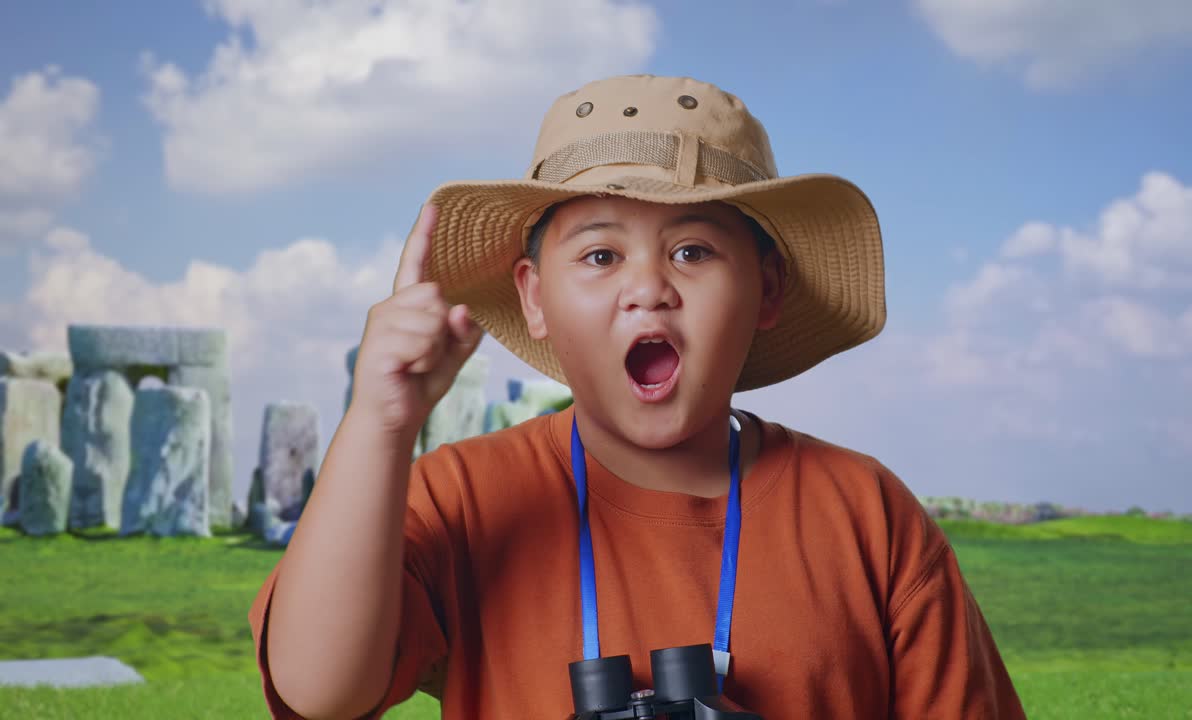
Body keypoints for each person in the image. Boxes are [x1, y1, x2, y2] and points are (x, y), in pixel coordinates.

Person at [248, 74, 1026, 719]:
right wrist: (381, 423)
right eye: (599, 254)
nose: (648, 289)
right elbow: (321, 691)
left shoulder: (865, 515)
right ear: (534, 298)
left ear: (767, 291)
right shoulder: (463, 497)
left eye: (693, 250)